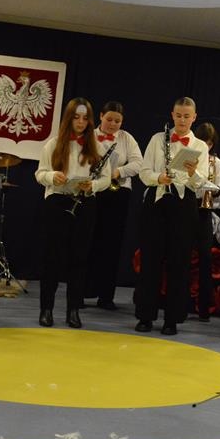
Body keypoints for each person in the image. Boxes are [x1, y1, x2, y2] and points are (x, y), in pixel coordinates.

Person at [34, 98, 110, 328]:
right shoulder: (53, 144)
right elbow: (40, 173)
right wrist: (52, 176)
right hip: (57, 201)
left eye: (85, 118)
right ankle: (46, 309)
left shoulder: (97, 147)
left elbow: (106, 178)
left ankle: (73, 310)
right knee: (52, 257)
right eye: (76, 117)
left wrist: (93, 185)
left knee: (79, 258)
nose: (81, 122)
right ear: (68, 118)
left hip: (85, 203)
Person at [135, 97, 207, 335]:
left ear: (194, 117)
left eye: (187, 116)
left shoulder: (200, 146)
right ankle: (145, 315)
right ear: (172, 115)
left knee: (179, 263)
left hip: (184, 204)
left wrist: (193, 172)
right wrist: (159, 178)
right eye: (178, 115)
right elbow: (144, 172)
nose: (182, 120)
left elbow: (200, 184)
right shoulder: (158, 139)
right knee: (150, 261)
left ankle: (172, 319)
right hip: (157, 201)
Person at [85, 101, 143, 311]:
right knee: (88, 242)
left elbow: (139, 163)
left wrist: (118, 171)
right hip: (93, 191)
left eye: (117, 121)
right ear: (100, 116)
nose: (112, 124)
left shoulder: (127, 138)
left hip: (118, 193)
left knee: (112, 245)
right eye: (109, 119)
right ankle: (81, 292)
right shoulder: (89, 136)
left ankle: (106, 296)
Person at [193, 121, 220, 321]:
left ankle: (204, 307)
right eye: (203, 142)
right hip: (188, 208)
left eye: (210, 143)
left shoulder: (216, 162)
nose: (206, 146)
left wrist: (214, 190)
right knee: (182, 256)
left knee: (205, 258)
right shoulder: (189, 158)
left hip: (205, 211)